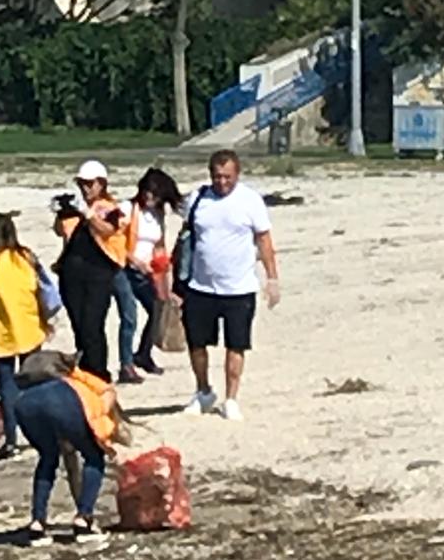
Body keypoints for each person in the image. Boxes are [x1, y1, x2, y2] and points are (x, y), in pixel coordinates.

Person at [180, 149, 279, 422]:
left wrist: (272, 278)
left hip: (239, 288)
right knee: (196, 343)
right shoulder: (198, 198)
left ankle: (231, 398)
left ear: (237, 174)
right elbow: (185, 238)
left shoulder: (250, 201)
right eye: (217, 176)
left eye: (227, 177)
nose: (222, 182)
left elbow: (264, 240)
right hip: (201, 286)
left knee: (236, 344)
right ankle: (203, 391)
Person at [14, 352, 123, 542]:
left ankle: (37, 522)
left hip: (25, 404)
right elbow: (100, 410)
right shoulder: (88, 385)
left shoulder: (36, 380)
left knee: (47, 458)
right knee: (94, 457)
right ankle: (84, 518)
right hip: (64, 401)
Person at [0, 212, 50, 457]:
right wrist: (46, 320)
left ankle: (12, 441)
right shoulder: (26, 257)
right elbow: (40, 292)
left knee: (7, 387)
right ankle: (41, 435)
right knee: (33, 383)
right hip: (30, 326)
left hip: (1, 331)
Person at [53, 160, 127, 383]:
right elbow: (60, 232)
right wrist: (61, 211)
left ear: (101, 184)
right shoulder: (74, 209)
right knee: (78, 327)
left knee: (92, 326)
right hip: (71, 274)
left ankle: (99, 375)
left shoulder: (110, 208)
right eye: (82, 183)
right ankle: (85, 374)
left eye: (90, 183)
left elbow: (108, 229)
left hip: (98, 274)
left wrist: (88, 214)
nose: (86, 188)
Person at [125, 167, 183, 377]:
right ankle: (130, 360)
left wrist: (164, 278)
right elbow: (116, 243)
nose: (150, 196)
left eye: (155, 193)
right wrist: (136, 261)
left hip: (148, 271)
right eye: (148, 191)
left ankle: (142, 354)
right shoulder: (129, 209)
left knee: (157, 310)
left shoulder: (158, 214)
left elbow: (159, 246)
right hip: (127, 268)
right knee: (130, 314)